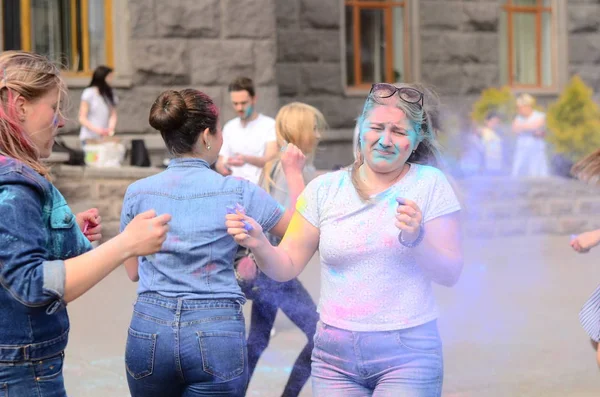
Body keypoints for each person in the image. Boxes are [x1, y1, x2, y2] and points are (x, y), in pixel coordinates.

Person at [227, 82, 463, 396]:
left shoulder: (430, 184)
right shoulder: (325, 190)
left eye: (399, 132)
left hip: (409, 354)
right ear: (361, 128)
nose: (385, 140)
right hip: (334, 358)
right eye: (377, 127)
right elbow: (286, 266)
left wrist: (416, 238)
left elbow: (450, 273)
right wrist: (258, 242)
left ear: (417, 138)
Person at [0, 51, 170, 396]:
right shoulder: (14, 184)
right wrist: (125, 245)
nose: (60, 121)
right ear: (19, 105)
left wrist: (60, 231)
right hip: (22, 370)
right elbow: (30, 284)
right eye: (53, 107)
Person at [121, 88, 304, 396]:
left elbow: (132, 271)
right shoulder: (237, 191)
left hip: (150, 329)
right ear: (207, 135)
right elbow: (298, 231)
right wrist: (294, 173)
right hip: (215, 330)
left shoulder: (137, 192)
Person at [237, 102, 325, 396]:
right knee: (319, 336)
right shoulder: (288, 168)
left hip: (266, 268)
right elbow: (291, 224)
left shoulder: (277, 164)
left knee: (257, 341)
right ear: (301, 130)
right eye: (314, 127)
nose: (319, 134)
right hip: (274, 269)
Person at [215, 77, 278, 183]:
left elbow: (271, 161)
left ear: (254, 99)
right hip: (234, 190)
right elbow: (220, 161)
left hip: (260, 189)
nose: (239, 108)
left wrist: (246, 159)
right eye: (235, 103)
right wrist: (223, 167)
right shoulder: (229, 127)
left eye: (244, 103)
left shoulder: (270, 125)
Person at [511, 93, 549, 177]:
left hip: (536, 149)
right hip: (522, 149)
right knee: (517, 171)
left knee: (535, 173)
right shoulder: (518, 117)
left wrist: (523, 127)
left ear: (527, 107)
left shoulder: (540, 116)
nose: (518, 110)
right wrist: (530, 128)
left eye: (520, 108)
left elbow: (536, 125)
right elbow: (514, 129)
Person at [78, 65, 118, 146]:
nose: (111, 79)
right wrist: (98, 130)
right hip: (89, 138)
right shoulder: (89, 93)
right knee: (91, 158)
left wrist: (110, 128)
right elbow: (82, 118)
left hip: (104, 138)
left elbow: (113, 114)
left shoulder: (110, 94)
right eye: (109, 77)